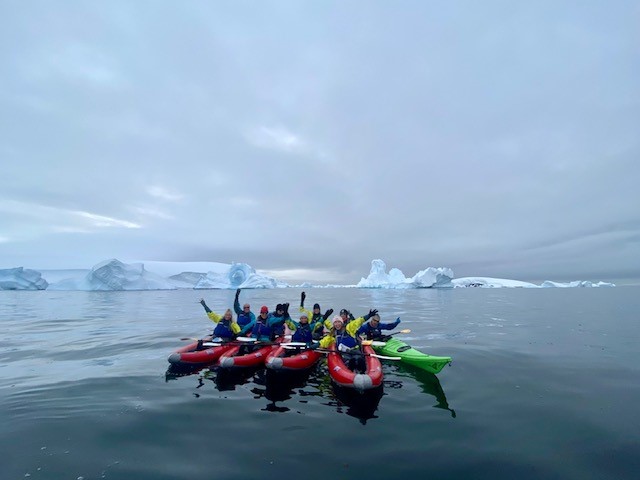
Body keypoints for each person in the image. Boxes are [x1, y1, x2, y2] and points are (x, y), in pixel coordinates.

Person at [314, 309, 378, 372]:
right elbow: (325, 340)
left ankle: (362, 370)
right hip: (344, 353)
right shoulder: (333, 334)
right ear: (333, 324)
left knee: (358, 359)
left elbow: (358, 321)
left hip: (355, 350)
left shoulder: (349, 328)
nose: (337, 324)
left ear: (341, 322)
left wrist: (368, 316)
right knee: (349, 362)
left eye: (338, 322)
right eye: (335, 323)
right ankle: (351, 371)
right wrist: (316, 345)